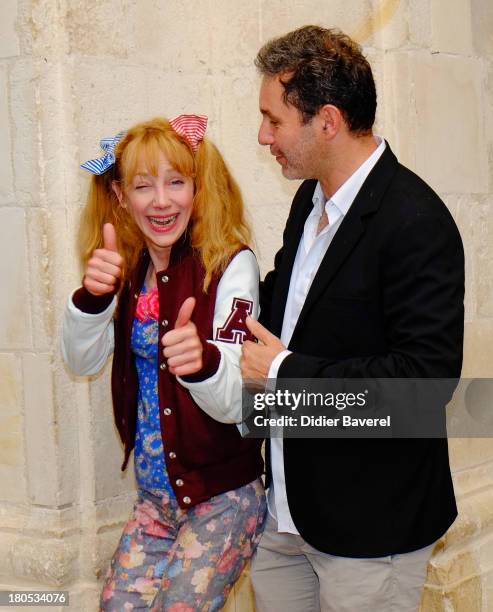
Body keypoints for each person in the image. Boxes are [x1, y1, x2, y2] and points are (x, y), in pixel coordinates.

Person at [240, 26, 465, 612]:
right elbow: (287, 308)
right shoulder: (306, 200)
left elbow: (420, 386)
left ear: (327, 121)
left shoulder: (416, 221)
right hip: (287, 512)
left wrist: (286, 374)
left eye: (273, 119)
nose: (263, 136)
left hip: (370, 531)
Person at [61, 115, 266, 611]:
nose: (161, 201)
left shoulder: (230, 265)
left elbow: (238, 403)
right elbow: (81, 360)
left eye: (176, 182)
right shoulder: (123, 269)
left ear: (197, 189)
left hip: (224, 497)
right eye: (142, 186)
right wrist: (92, 297)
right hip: (154, 499)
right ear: (119, 195)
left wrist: (204, 364)